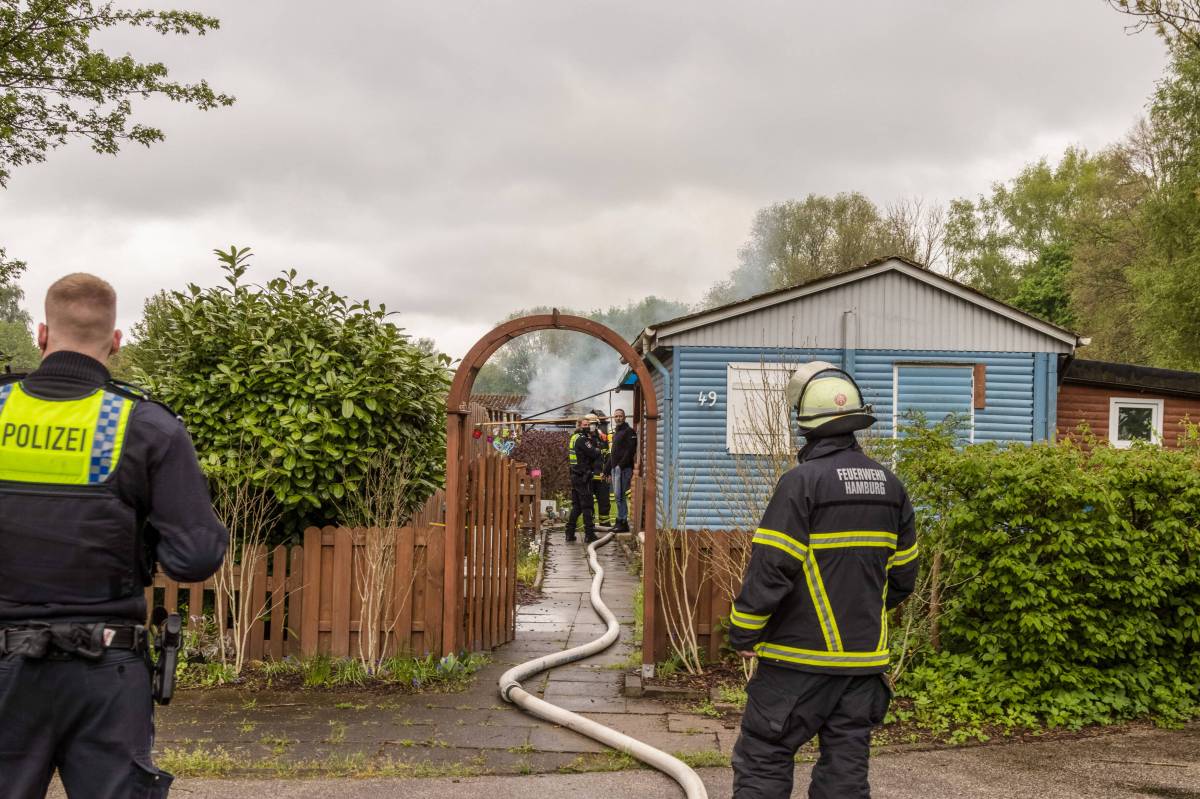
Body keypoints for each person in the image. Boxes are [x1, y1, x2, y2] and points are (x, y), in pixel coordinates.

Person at [0, 274, 228, 799]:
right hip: (105, 671)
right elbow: (194, 558)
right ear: (116, 342)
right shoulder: (144, 425)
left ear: (41, 334)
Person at [728, 361, 918, 799]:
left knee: (764, 756)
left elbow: (771, 569)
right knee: (846, 772)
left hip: (796, 662)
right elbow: (904, 577)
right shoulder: (892, 486)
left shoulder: (801, 482)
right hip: (862, 666)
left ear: (806, 424)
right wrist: (863, 611)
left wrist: (743, 632)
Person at [565, 415, 602, 544]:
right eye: (584, 425)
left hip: (575, 475)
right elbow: (593, 452)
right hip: (583, 477)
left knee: (577, 507)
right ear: (579, 425)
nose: (587, 427)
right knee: (587, 506)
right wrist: (598, 447)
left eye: (588, 425)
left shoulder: (573, 437)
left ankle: (569, 533)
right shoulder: (581, 439)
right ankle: (589, 534)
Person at [607, 408, 637, 532]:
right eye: (616, 416)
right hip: (615, 469)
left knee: (620, 496)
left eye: (620, 416)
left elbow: (631, 451)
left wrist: (620, 465)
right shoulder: (616, 433)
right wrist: (606, 470)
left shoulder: (629, 432)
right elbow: (612, 454)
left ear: (624, 418)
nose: (618, 418)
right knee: (617, 496)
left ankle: (623, 522)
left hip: (624, 469)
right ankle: (619, 521)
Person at [589, 408, 613, 527]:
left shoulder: (603, 438)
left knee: (604, 503)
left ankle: (605, 526)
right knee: (588, 504)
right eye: (590, 424)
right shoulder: (583, 439)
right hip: (588, 477)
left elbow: (608, 456)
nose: (592, 427)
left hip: (602, 477)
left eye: (594, 424)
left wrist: (608, 473)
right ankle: (590, 528)